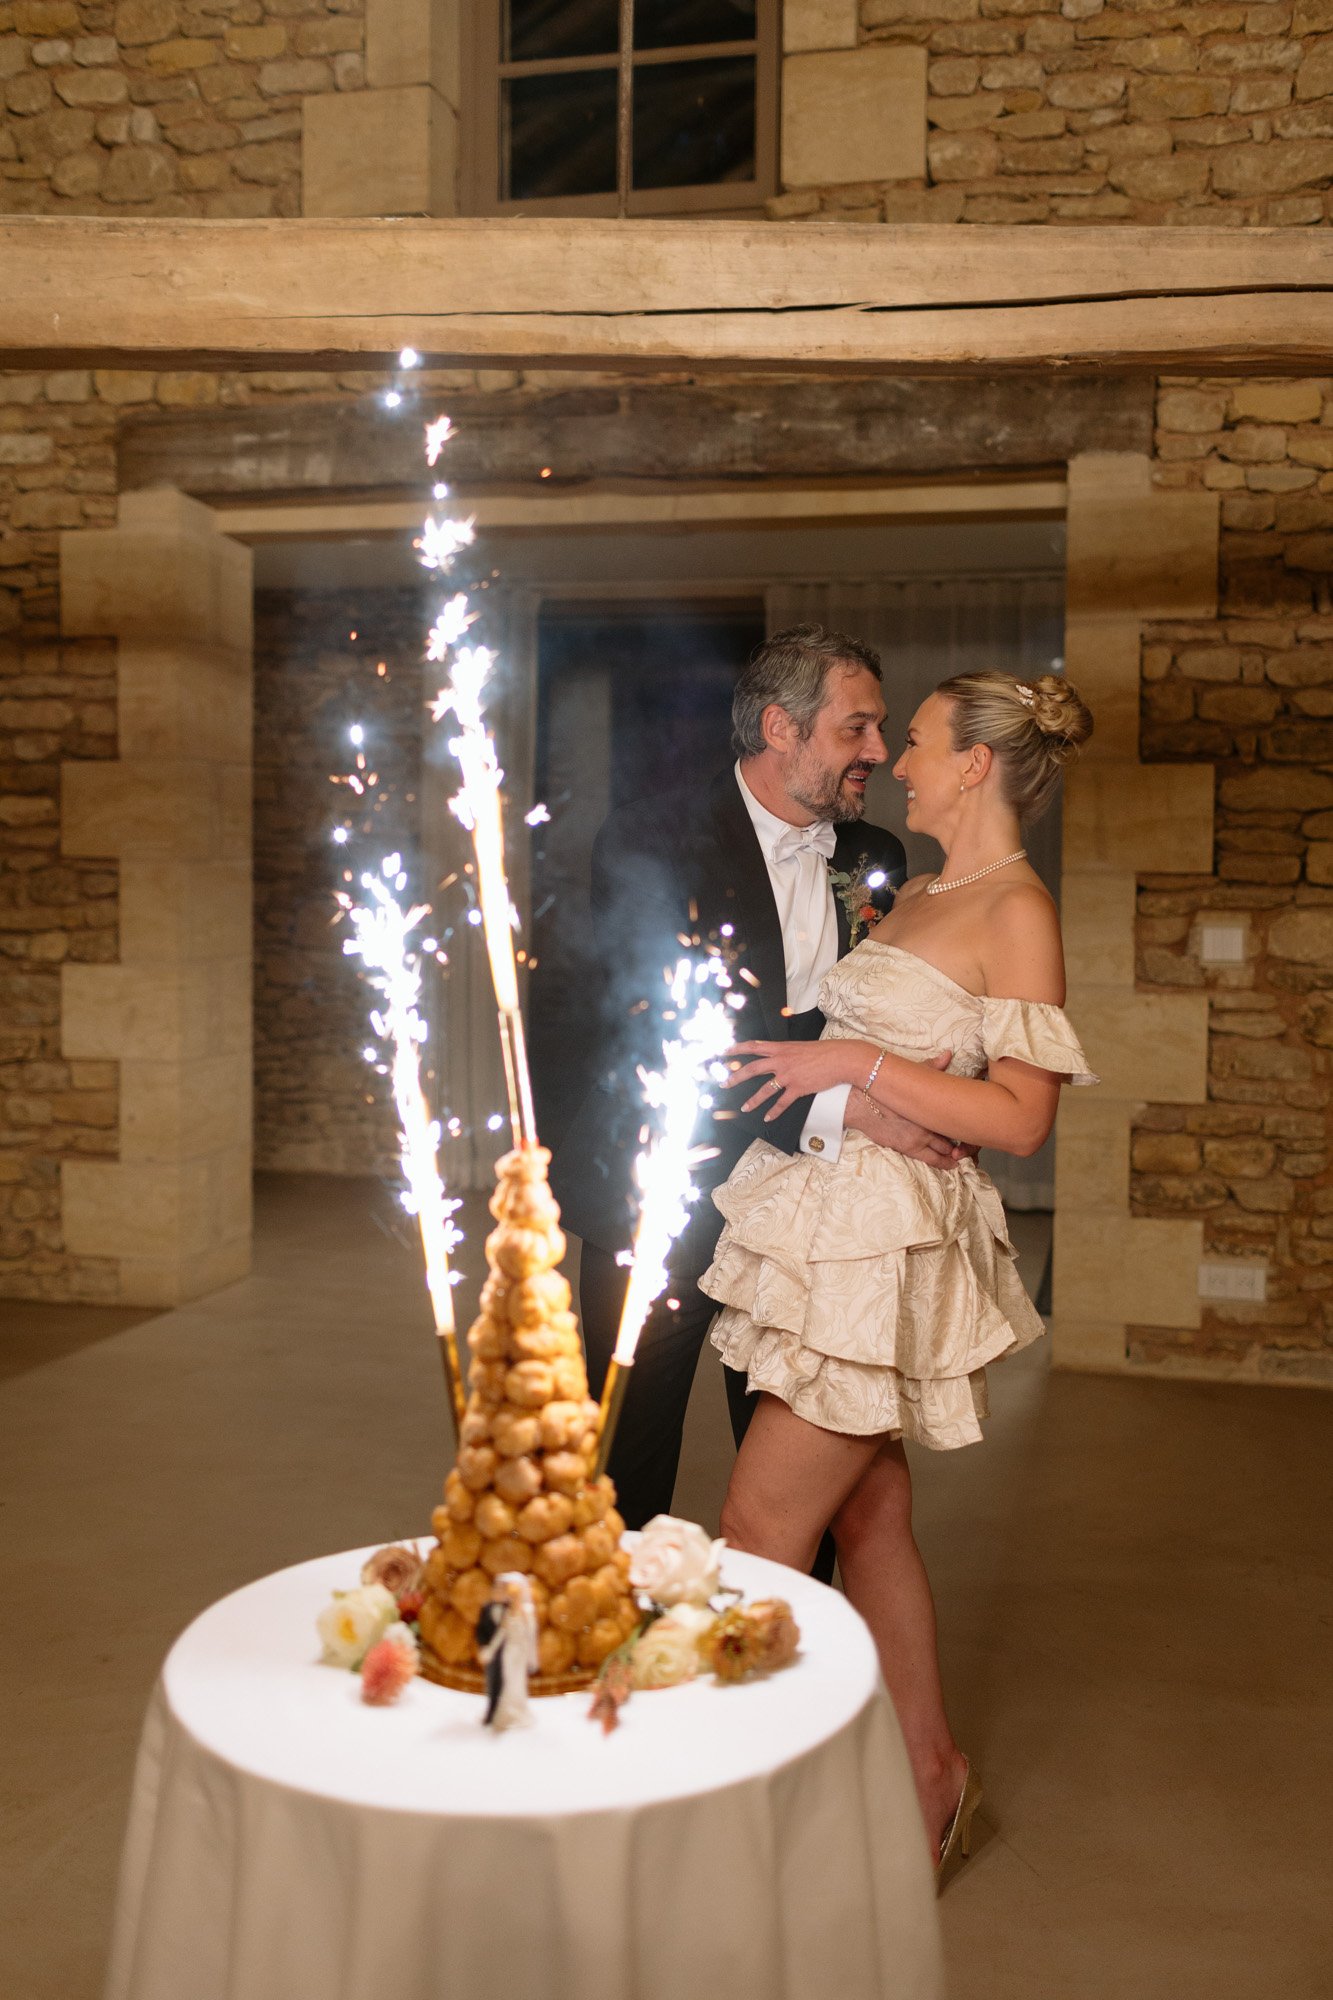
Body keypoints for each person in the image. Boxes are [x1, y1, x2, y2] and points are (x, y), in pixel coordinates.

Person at [700, 669, 1097, 1878]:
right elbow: (868, 1071)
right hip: (832, 1220)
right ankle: (932, 1773)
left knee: (757, 1524)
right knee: (870, 1515)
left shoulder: (1018, 909)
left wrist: (858, 1069)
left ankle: (728, 1815)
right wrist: (857, 1084)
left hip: (880, 1252)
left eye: (915, 741)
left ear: (974, 764)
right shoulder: (923, 886)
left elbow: (1021, 1117)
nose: (899, 761)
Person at [551, 625, 968, 1541]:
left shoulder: (875, 859)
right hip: (659, 1189)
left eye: (881, 730)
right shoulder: (649, 836)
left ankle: (783, 1661)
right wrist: (852, 1106)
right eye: (855, 730)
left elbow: (872, 1018)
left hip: (802, 1206)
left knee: (795, 1482)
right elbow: (673, 1031)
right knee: (622, 1460)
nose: (877, 753)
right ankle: (613, 1657)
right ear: (779, 728)